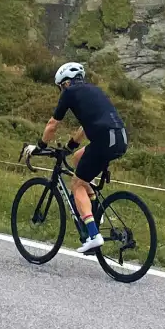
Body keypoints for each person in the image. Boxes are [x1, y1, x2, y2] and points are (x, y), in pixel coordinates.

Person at [40, 61, 128, 253]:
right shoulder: (94, 90)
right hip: (120, 138)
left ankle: (93, 234)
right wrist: (71, 146)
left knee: (77, 184)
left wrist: (40, 146)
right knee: (78, 159)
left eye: (60, 87)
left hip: (104, 140)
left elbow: (52, 124)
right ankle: (95, 207)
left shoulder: (69, 93)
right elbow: (85, 128)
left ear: (64, 83)